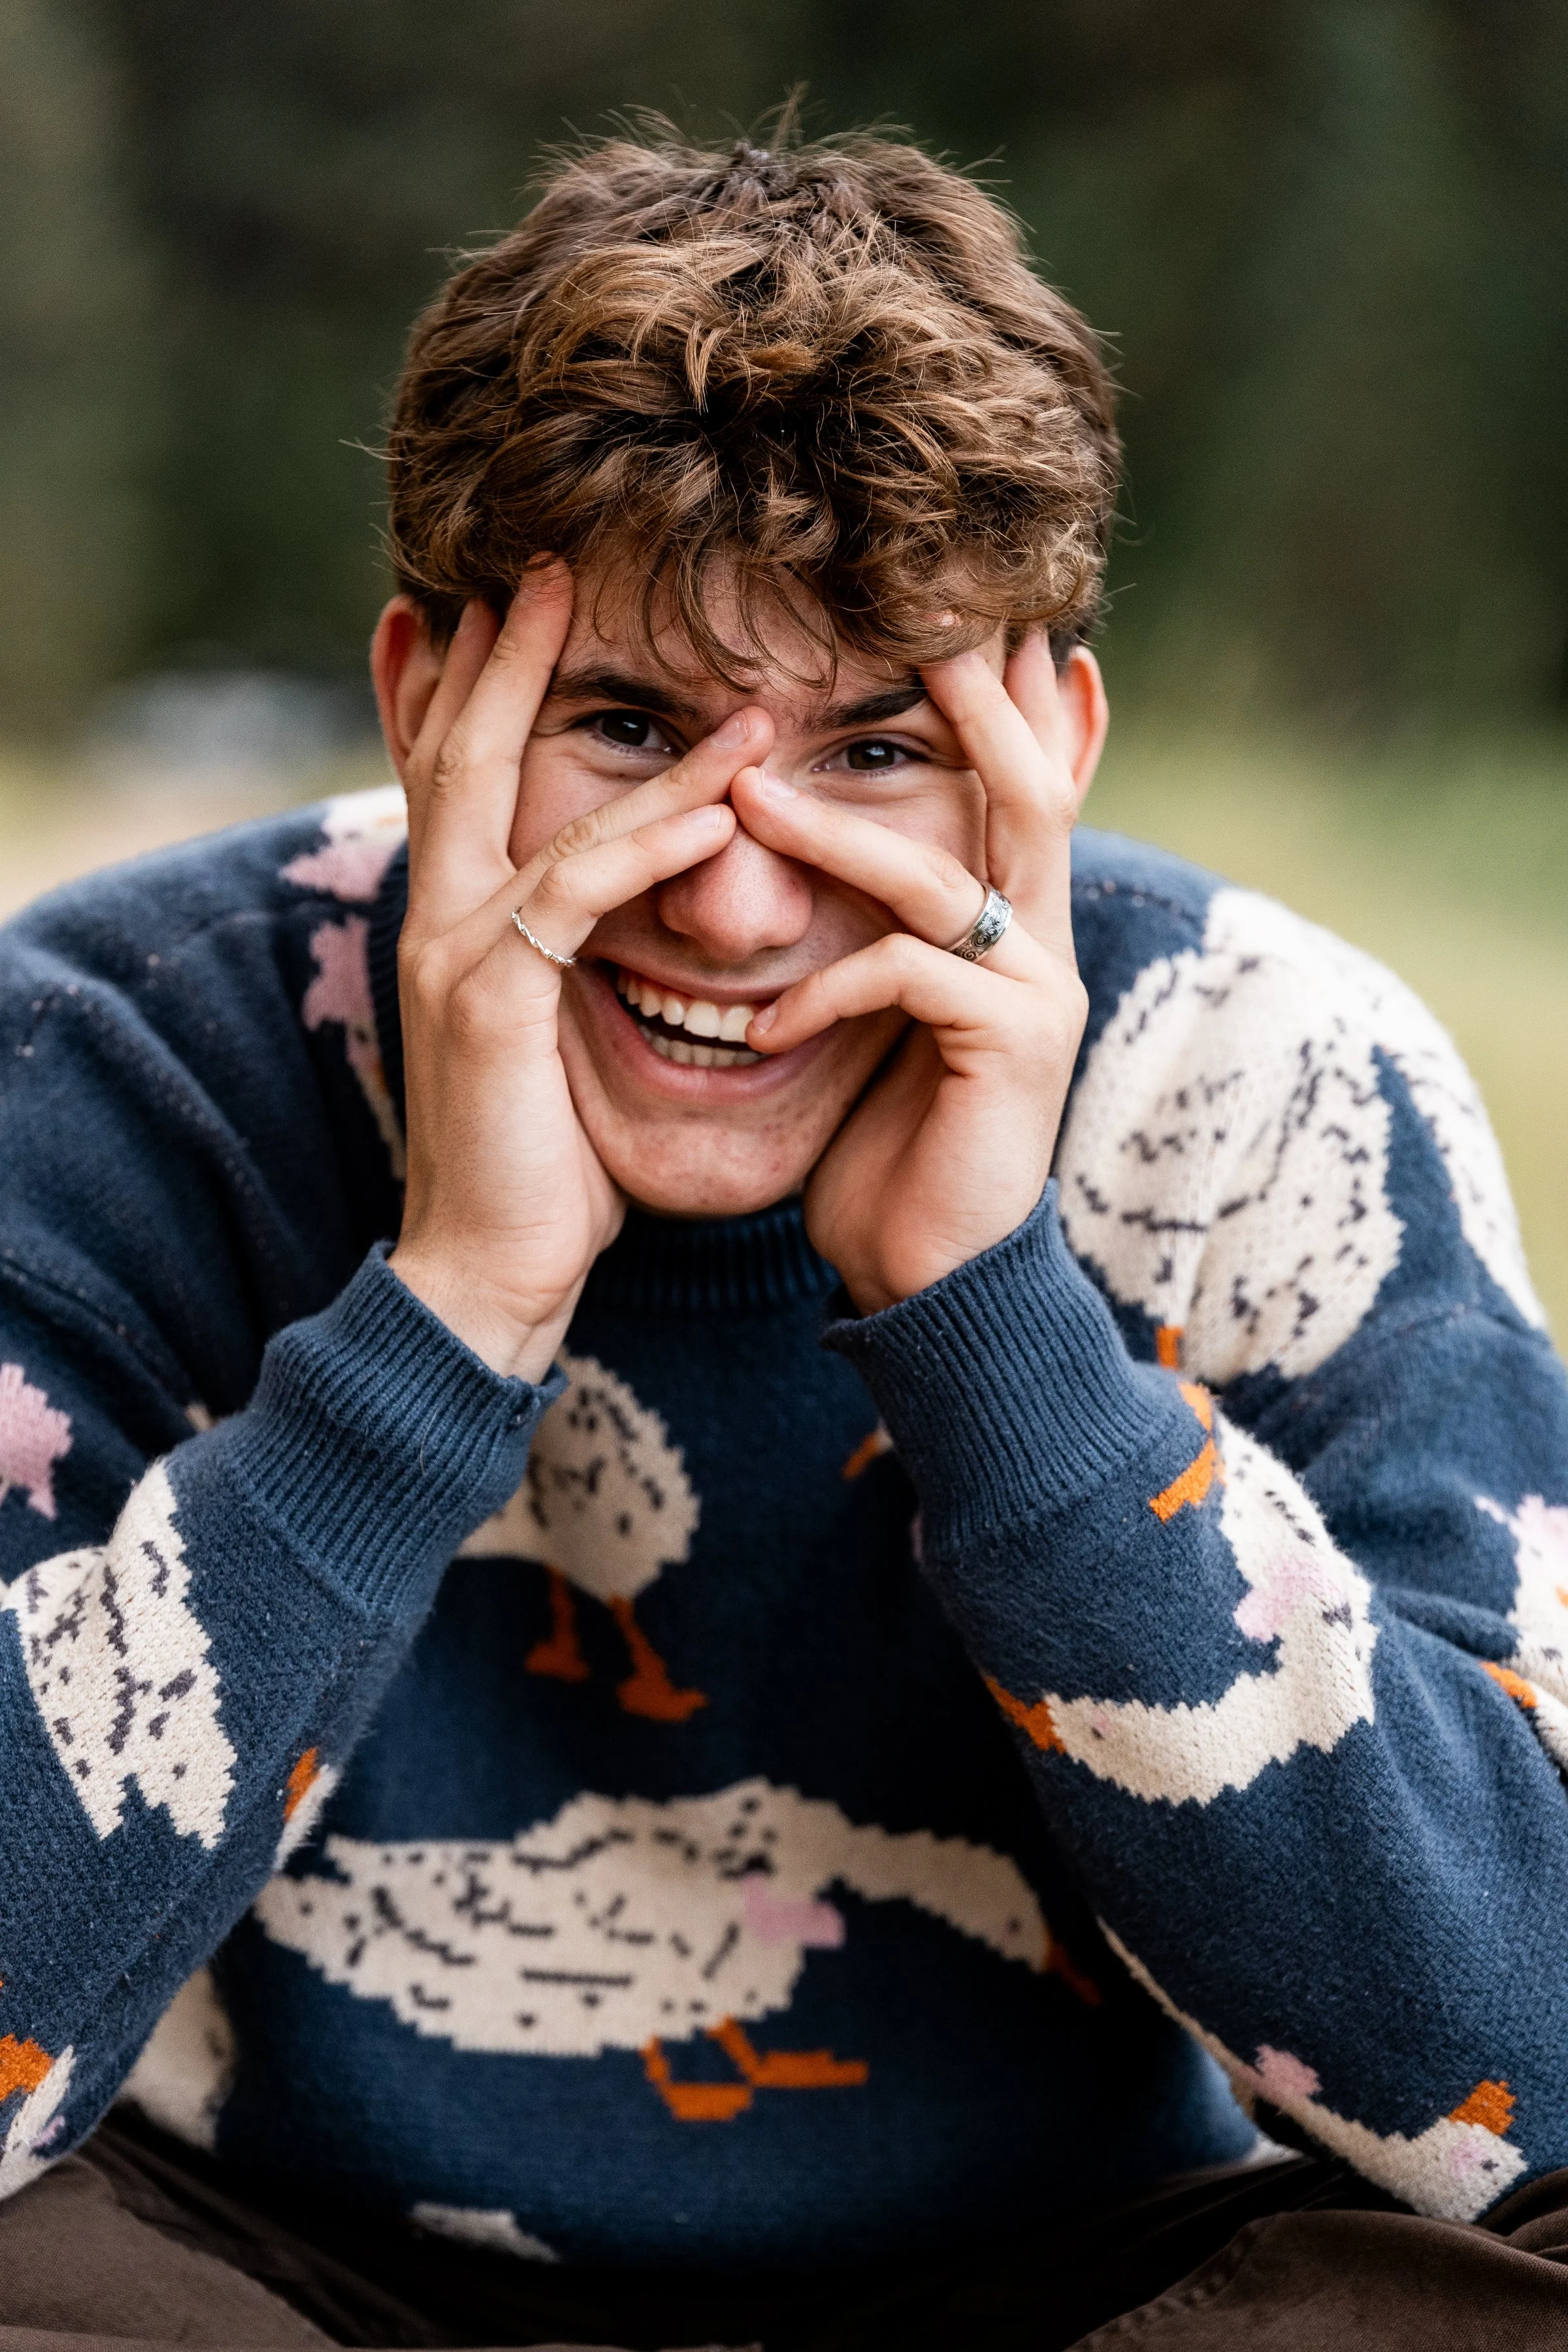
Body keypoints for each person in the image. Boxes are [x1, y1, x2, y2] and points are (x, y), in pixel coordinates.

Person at [0, 124, 1565, 2352]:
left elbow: (1540, 2067)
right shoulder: (103, 1060)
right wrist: (453, 1314)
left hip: (1082, 2295)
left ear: (1058, 738)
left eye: (878, 751)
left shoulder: (1264, 1076)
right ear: (427, 703)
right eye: (622, 728)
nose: (738, 900)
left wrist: (995, 1317)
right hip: (269, 2281)